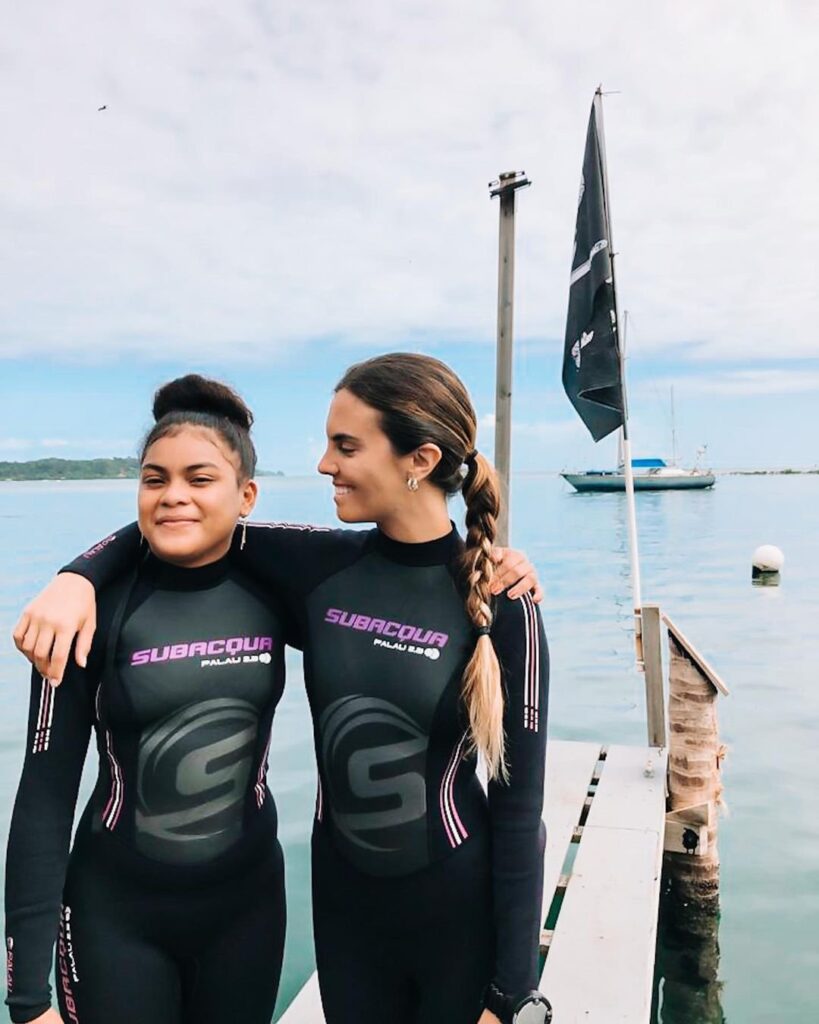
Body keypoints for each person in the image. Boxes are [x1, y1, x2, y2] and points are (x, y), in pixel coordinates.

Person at [13, 354, 551, 1024]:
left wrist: (512, 994)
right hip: (345, 926)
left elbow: (520, 814)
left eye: (344, 446)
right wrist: (77, 576)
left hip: (456, 918)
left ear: (418, 459)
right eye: (328, 444)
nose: (324, 464)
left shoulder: (501, 603)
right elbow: (187, 520)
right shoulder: (317, 569)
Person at [5, 376, 291, 1024]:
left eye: (199, 478)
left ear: (246, 495)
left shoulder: (279, 584)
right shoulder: (84, 615)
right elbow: (44, 800)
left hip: (247, 912)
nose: (173, 497)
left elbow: (384, 567)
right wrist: (26, 999)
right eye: (154, 479)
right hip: (116, 919)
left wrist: (489, 568)